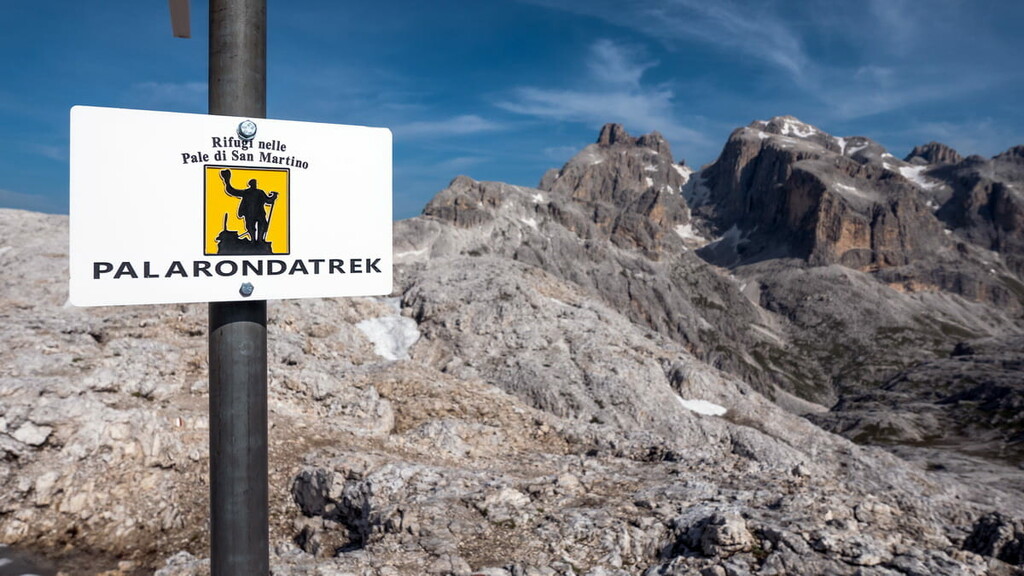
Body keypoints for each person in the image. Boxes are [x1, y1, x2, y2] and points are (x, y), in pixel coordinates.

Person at [220, 169, 278, 243]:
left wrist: (273, 197)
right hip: (249, 213)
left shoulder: (260, 192)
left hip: (259, 213)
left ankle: (260, 240)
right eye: (254, 183)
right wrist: (227, 181)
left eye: (255, 183)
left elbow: (268, 201)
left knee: (263, 225)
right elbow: (232, 191)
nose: (255, 185)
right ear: (250, 184)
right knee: (251, 227)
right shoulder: (247, 192)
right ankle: (253, 240)